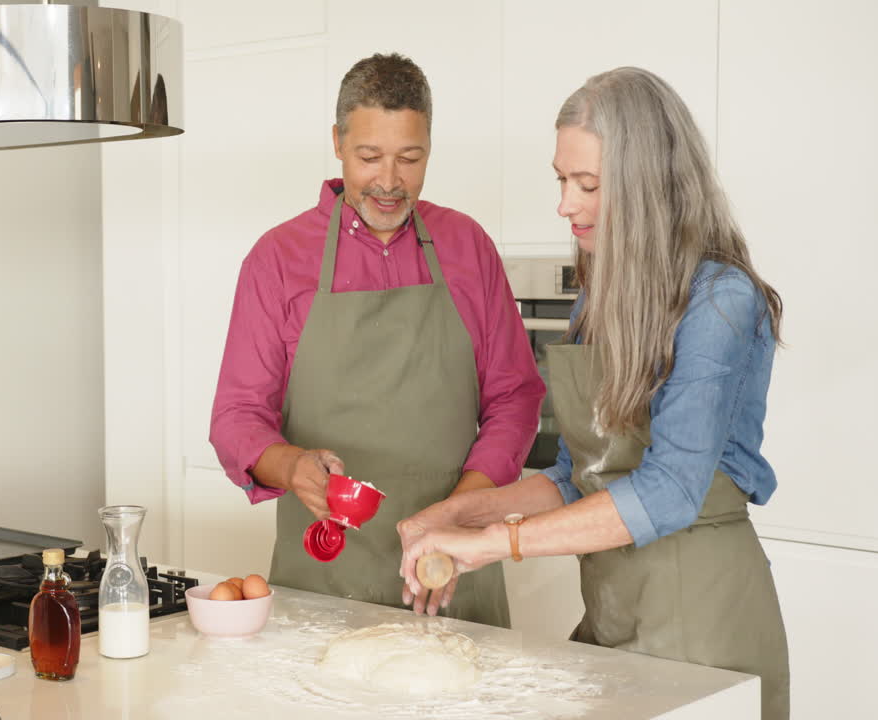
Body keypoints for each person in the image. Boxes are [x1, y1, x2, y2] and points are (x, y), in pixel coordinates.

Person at [396, 67, 790, 719]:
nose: (564, 204)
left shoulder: (720, 301)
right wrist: (466, 515)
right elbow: (583, 475)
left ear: (648, 190)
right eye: (562, 179)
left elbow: (669, 491)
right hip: (612, 615)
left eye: (588, 184)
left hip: (703, 621)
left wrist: (497, 543)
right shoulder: (601, 300)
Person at [209, 53, 544, 628]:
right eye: (369, 157)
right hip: (324, 578)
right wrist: (292, 467)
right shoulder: (277, 259)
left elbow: (515, 398)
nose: (389, 182)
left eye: (409, 159)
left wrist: (459, 512)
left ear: (429, 149)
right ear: (338, 142)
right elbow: (236, 418)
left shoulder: (468, 247)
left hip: (451, 569)